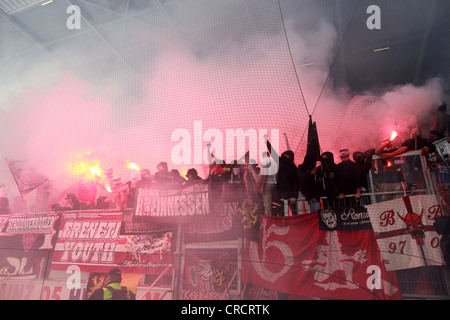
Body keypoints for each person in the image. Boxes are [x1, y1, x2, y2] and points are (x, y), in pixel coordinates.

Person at [275, 150, 299, 216]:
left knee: (293, 212)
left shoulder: (293, 167)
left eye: (287, 156)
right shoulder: (293, 166)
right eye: (284, 155)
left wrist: (294, 195)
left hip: (289, 194)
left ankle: (295, 225)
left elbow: (295, 182)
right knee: (283, 212)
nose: (285, 157)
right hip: (283, 193)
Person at [259, 151, 278, 216]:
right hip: (274, 183)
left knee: (267, 206)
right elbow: (276, 174)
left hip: (267, 184)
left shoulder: (264, 161)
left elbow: (265, 174)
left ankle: (268, 222)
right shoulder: (273, 162)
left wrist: (262, 186)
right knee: (273, 204)